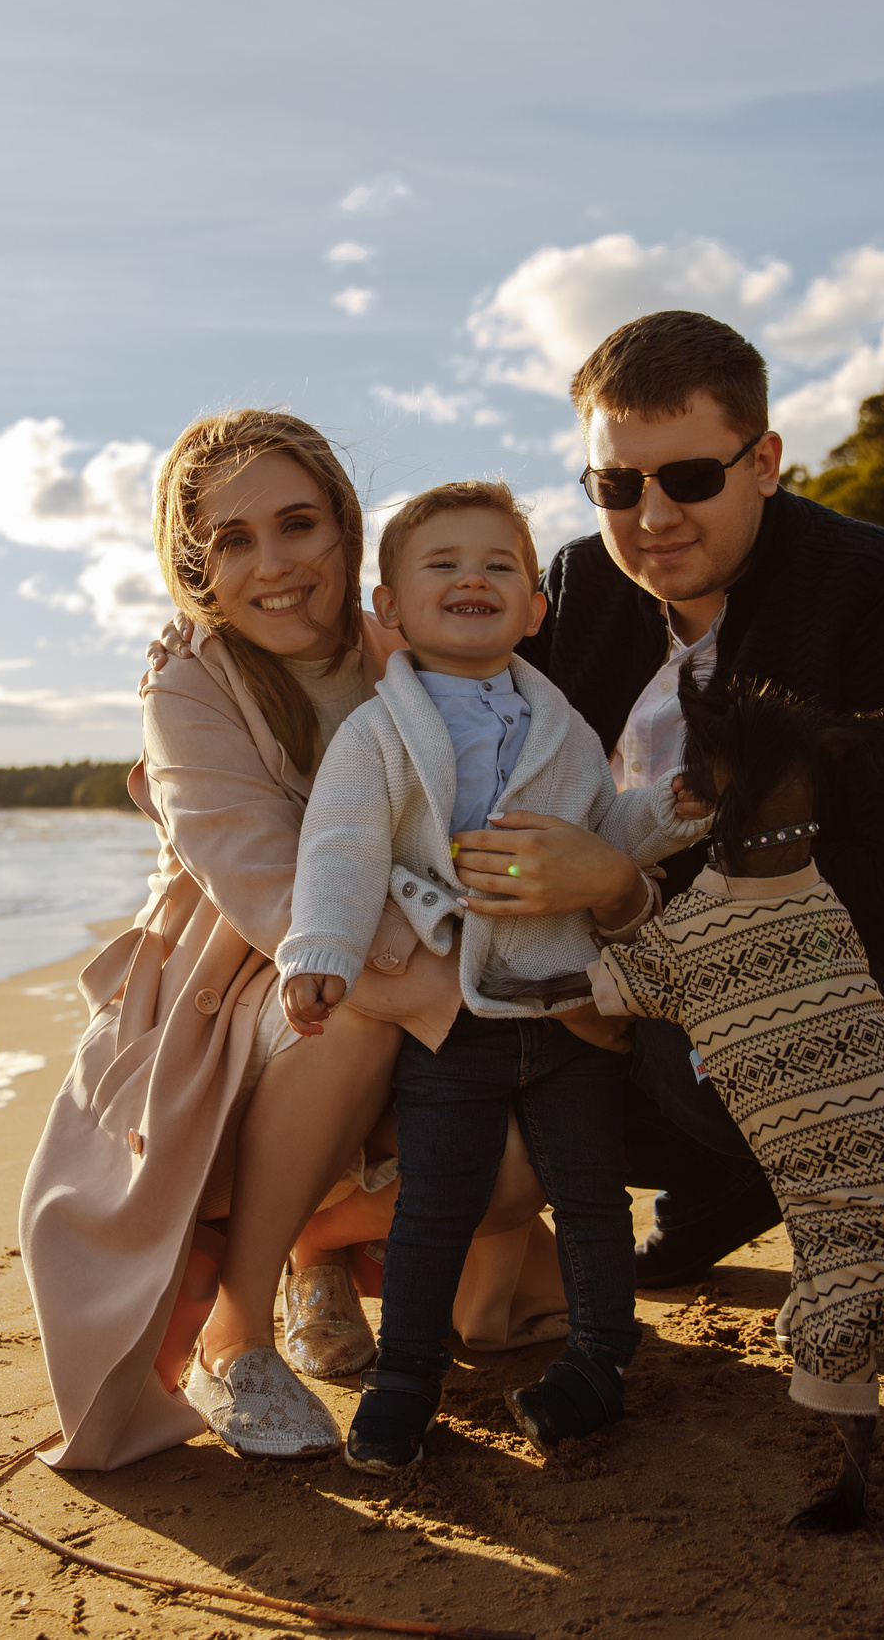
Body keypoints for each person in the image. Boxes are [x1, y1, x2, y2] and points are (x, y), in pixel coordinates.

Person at [18, 410, 565, 1472]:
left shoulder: (403, 646)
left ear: (347, 529)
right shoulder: (187, 684)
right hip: (231, 990)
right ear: (196, 565)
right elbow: (275, 893)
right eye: (231, 541)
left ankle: (318, 1238)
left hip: (415, 947)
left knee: (514, 1173)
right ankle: (235, 1333)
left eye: (298, 525)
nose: (273, 566)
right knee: (346, 998)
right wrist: (454, 998)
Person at [461, 310, 884, 1286]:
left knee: (705, 1050)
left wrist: (625, 894)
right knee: (469, 1056)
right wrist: (232, 657)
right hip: (651, 964)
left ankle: (883, 1202)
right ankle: (731, 1180)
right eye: (616, 484)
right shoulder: (578, 583)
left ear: (762, 460)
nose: (653, 518)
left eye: (690, 478)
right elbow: (453, 718)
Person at [277, 481, 701, 1472]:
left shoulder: (560, 726)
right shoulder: (378, 735)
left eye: (499, 565)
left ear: (533, 608)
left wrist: (671, 814)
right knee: (439, 1197)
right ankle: (407, 1380)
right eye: (443, 564)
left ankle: (600, 1360)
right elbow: (342, 849)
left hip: (562, 1001)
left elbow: (604, 834)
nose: (473, 576)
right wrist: (322, 955)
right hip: (455, 1008)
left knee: (590, 1192)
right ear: (389, 609)